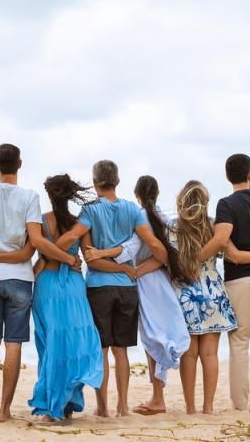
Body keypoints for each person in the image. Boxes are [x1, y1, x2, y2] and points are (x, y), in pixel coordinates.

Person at [0, 144, 84, 422]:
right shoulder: (30, 198)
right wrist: (67, 258)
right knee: (14, 344)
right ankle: (5, 410)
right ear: (20, 164)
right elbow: (34, 244)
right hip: (19, 279)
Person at [51, 160, 168, 417]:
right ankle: (123, 406)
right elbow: (152, 243)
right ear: (117, 180)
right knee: (121, 350)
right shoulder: (132, 210)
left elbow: (73, 239)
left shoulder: (90, 210)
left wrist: (47, 252)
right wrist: (167, 262)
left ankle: (102, 407)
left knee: (101, 349)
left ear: (95, 182)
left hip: (99, 286)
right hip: (127, 288)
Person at [0, 174, 104, 421]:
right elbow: (89, 254)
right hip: (73, 285)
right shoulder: (79, 223)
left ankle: (52, 405)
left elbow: (32, 251)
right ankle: (69, 402)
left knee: (50, 344)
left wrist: (44, 259)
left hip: (47, 285)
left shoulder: (40, 222)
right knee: (73, 342)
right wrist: (75, 259)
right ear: (71, 195)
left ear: (49, 195)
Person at [167, 180, 250, 414]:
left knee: (190, 354)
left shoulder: (171, 228)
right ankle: (208, 407)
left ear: (181, 202)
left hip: (184, 296)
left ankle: (190, 408)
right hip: (213, 294)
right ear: (205, 203)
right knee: (209, 354)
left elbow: (164, 263)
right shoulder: (215, 227)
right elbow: (235, 255)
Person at [85, 175, 190, 416]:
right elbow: (165, 254)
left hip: (143, 281)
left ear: (137, 194)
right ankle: (156, 395)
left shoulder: (141, 216)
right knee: (157, 335)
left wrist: (133, 270)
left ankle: (157, 397)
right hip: (162, 281)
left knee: (151, 339)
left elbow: (137, 248)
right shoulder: (164, 218)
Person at [198, 154, 250, 411]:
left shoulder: (226, 204)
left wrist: (195, 259)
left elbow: (222, 239)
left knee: (239, 342)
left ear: (227, 176)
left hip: (239, 281)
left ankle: (240, 405)